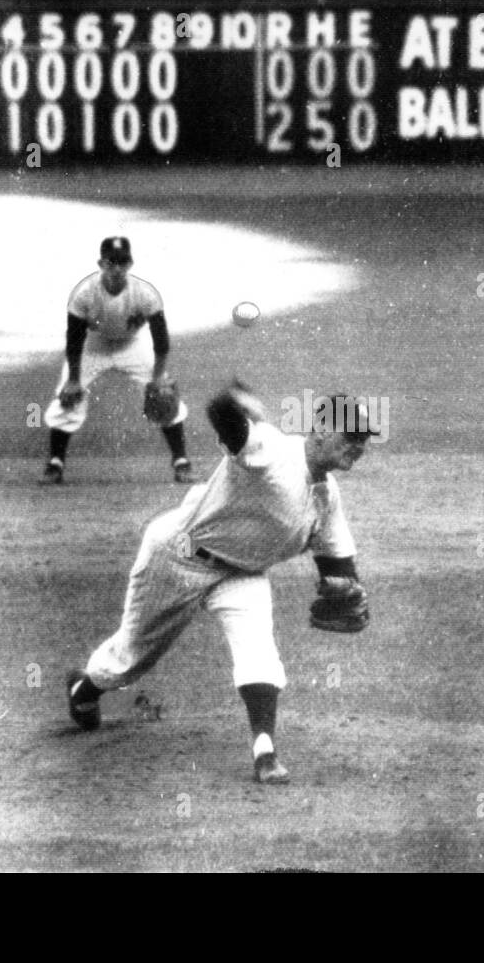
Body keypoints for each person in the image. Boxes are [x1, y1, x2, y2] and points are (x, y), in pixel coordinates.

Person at [65, 384, 377, 784]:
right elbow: (226, 421)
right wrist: (234, 401)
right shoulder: (272, 449)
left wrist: (345, 588)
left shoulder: (327, 499)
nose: (359, 446)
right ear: (320, 429)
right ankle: (85, 688)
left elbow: (339, 564)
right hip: (179, 555)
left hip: (241, 575)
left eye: (364, 439)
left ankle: (264, 750)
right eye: (351, 435)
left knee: (259, 651)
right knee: (129, 659)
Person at [40, 236, 192, 485]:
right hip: (93, 345)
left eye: (122, 262)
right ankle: (55, 464)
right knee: (67, 396)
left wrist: (156, 379)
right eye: (112, 262)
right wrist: (74, 380)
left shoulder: (145, 294)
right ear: (101, 263)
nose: (117, 268)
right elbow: (74, 339)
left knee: (165, 395)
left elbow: (161, 341)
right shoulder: (84, 294)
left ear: (130, 263)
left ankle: (182, 463)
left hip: (131, 345)